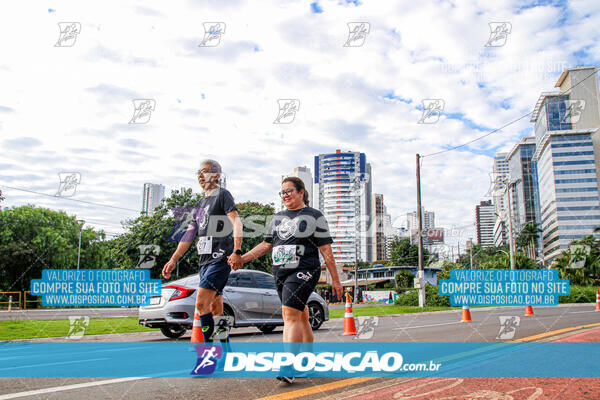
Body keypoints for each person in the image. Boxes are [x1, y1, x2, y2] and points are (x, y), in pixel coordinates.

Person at [234, 176, 343, 384]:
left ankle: (288, 365)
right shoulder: (277, 218)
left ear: (301, 192)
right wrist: (242, 259)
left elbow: (326, 249)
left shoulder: (314, 216)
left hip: (304, 270)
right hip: (281, 272)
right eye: (282, 192)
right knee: (301, 316)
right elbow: (266, 245)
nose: (285, 195)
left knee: (289, 314)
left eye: (289, 191)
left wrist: (335, 280)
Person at [162, 159, 243, 343]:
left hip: (220, 258)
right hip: (204, 262)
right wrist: (173, 259)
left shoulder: (223, 195)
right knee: (216, 310)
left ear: (216, 175)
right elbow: (188, 236)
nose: (200, 175)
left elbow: (236, 222)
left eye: (205, 171)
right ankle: (225, 350)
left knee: (200, 304)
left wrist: (237, 250)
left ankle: (208, 353)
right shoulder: (199, 204)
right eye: (198, 172)